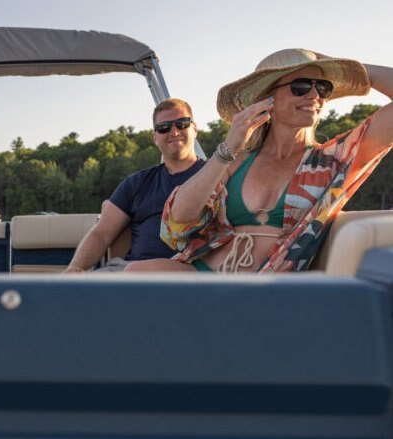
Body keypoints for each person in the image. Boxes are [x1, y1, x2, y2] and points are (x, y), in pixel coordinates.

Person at [128, 49, 393, 273]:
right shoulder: (236, 160)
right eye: (301, 86)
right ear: (268, 98)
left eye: (322, 87)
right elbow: (178, 220)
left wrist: (346, 67)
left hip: (266, 287)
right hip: (203, 274)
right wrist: (229, 147)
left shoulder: (333, 161)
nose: (314, 95)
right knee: (132, 274)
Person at [64, 98, 205, 272]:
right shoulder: (136, 183)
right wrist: (75, 268)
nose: (174, 132)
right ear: (155, 137)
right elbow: (101, 233)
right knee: (71, 287)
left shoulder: (216, 175)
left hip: (190, 271)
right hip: (128, 271)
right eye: (164, 127)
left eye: (182, 124)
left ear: (194, 129)